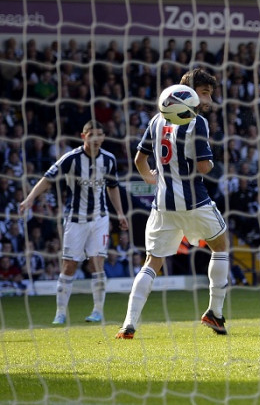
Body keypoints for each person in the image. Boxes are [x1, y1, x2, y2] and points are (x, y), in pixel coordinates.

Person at [116, 69, 230, 339]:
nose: (208, 101)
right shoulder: (197, 122)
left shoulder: (157, 120)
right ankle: (215, 312)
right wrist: (212, 162)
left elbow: (139, 160)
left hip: (162, 206)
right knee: (221, 246)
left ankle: (128, 324)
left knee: (151, 263)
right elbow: (203, 166)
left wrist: (151, 179)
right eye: (204, 93)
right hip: (194, 202)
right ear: (188, 92)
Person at [19, 120, 128, 324]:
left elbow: (112, 187)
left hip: (100, 219)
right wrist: (29, 199)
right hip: (75, 219)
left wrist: (120, 213)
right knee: (69, 266)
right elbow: (47, 178)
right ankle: (60, 312)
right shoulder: (71, 159)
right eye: (92, 135)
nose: (97, 139)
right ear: (83, 136)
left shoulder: (109, 160)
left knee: (98, 263)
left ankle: (97, 311)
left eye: (100, 135)